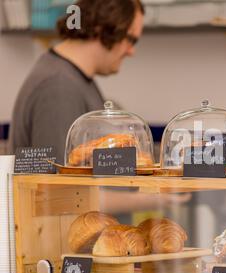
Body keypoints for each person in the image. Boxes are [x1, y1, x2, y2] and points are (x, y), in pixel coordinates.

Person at [9, 0, 144, 163]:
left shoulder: (73, 77)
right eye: (132, 40)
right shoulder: (58, 87)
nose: (132, 51)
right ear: (103, 28)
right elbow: (58, 182)